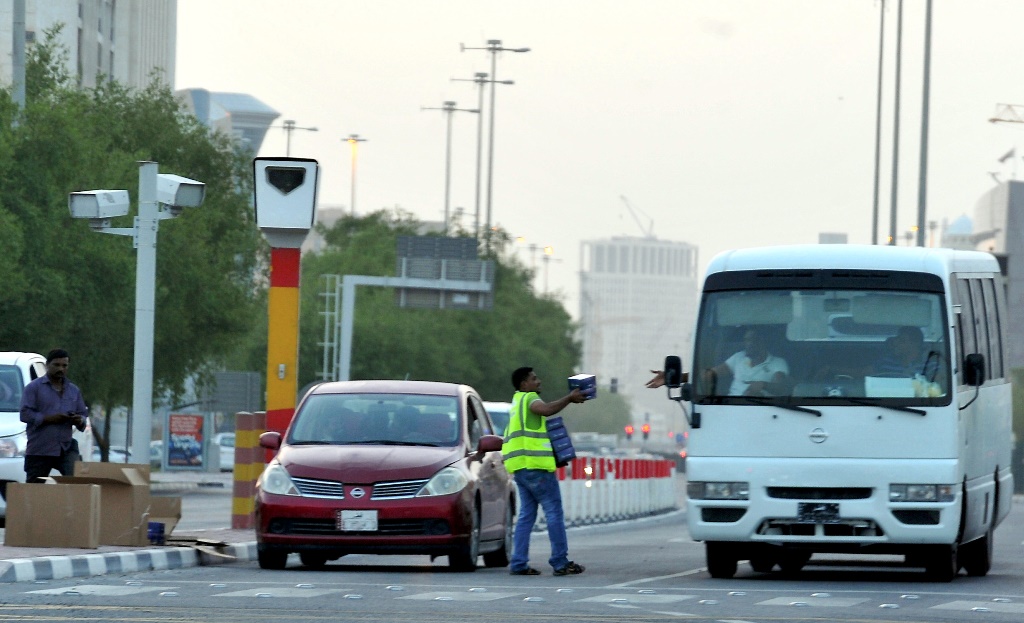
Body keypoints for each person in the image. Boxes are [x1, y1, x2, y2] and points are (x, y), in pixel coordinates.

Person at [503, 366, 587, 576]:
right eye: (534, 378)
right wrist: (569, 398)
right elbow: (546, 409)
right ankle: (560, 561)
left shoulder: (516, 402)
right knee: (553, 511)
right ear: (524, 384)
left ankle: (518, 562)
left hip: (520, 467)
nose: (538, 381)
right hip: (536, 467)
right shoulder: (529, 398)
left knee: (526, 516)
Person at [645, 327, 789, 396]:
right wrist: (676, 377)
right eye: (746, 340)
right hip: (732, 409)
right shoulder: (738, 358)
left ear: (762, 341)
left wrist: (763, 385)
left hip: (765, 410)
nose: (747, 344)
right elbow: (709, 374)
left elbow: (781, 387)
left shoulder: (777, 363)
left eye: (752, 340)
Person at [19, 349, 88, 483]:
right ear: (47, 365)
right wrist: (49, 419)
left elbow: (83, 415)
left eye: (64, 366)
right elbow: (25, 414)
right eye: (56, 365)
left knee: (78, 482)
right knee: (33, 488)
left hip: (66, 447)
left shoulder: (73, 390)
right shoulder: (34, 388)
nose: (60, 369)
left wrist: (78, 420)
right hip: (40, 448)